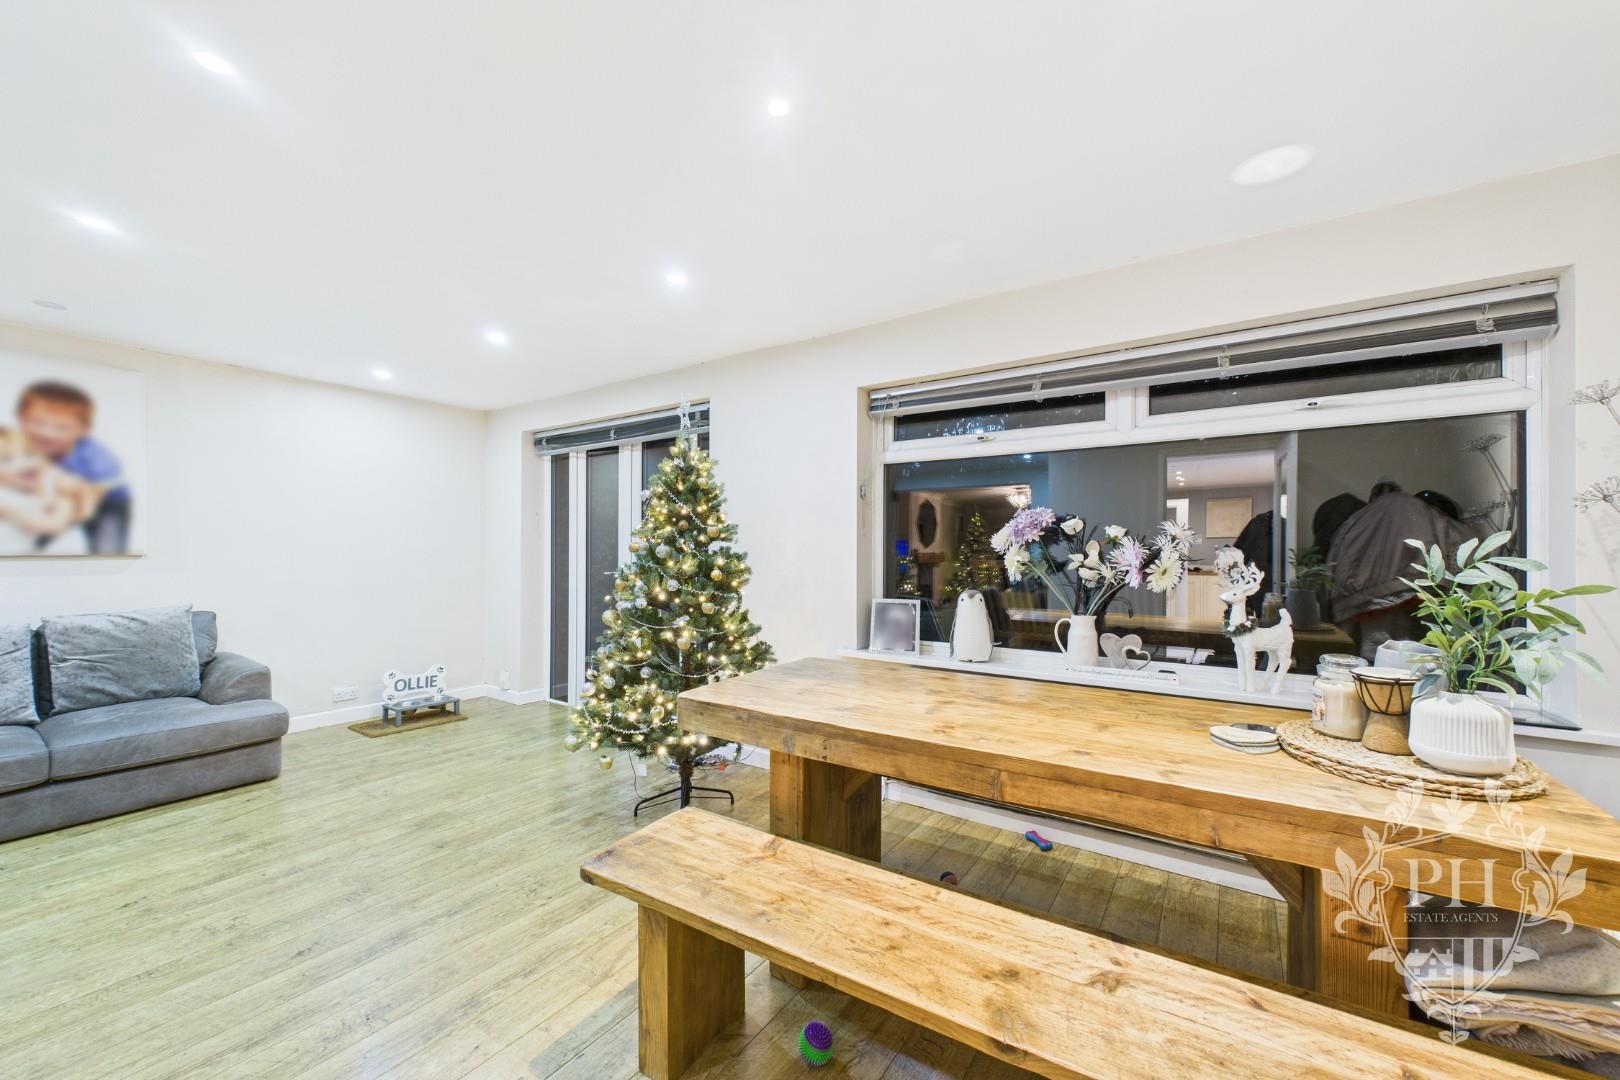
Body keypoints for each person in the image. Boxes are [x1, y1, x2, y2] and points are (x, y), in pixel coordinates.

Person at [11, 380, 130, 553]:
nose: (47, 433)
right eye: (37, 422)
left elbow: (89, 501)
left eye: (61, 428)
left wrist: (57, 519)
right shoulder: (16, 444)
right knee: (27, 541)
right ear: (20, 418)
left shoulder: (96, 458)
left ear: (84, 429)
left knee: (107, 547)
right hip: (53, 497)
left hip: (106, 502)